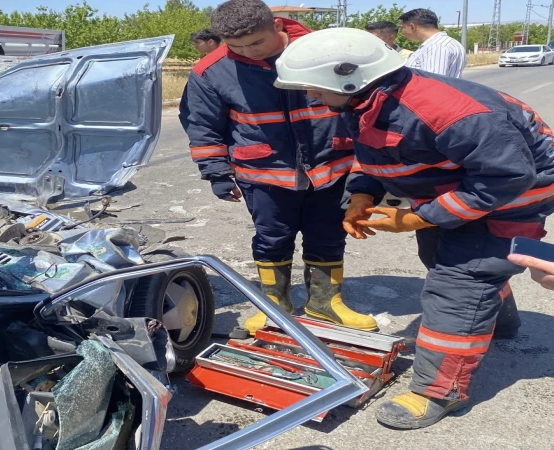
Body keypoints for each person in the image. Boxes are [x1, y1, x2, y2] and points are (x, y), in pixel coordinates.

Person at [274, 27, 554, 430]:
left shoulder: (447, 112)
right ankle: (498, 319)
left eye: (314, 87)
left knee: (461, 282)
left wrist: (420, 217)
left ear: (349, 79)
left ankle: (439, 391)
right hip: (458, 187)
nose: (310, 95)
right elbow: (376, 153)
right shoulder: (368, 101)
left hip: (511, 197)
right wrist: (362, 194)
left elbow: (507, 177)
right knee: (439, 256)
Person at [179, 0, 377, 334]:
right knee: (272, 239)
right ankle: (275, 306)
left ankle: (325, 303)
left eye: (256, 42)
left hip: (331, 166)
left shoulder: (324, 51)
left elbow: (365, 105)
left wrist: (368, 165)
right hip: (264, 174)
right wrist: (216, 172)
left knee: (328, 235)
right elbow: (202, 125)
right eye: (236, 46)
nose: (248, 52)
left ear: (277, 25)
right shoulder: (210, 70)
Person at [399, 8, 466, 77]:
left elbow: (433, 80)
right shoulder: (449, 42)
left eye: (403, 27)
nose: (402, 32)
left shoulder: (436, 46)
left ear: (412, 27)